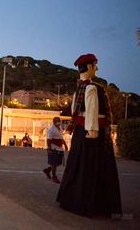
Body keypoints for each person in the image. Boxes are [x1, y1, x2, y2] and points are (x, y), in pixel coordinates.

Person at [57, 54, 121, 217]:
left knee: (77, 166)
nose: (97, 68)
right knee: (92, 169)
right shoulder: (92, 88)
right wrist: (92, 131)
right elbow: (92, 112)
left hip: (80, 132)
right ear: (90, 67)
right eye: (95, 65)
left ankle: (71, 199)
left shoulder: (78, 88)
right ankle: (91, 204)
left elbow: (75, 111)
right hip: (91, 134)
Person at [43, 117, 68, 183]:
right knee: (54, 163)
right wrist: (49, 149)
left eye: (59, 121)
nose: (58, 122)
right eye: (57, 121)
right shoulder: (51, 130)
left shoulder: (60, 128)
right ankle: (54, 176)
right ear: (53, 121)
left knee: (58, 163)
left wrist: (65, 145)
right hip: (54, 148)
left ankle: (48, 170)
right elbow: (48, 140)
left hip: (59, 148)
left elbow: (61, 137)